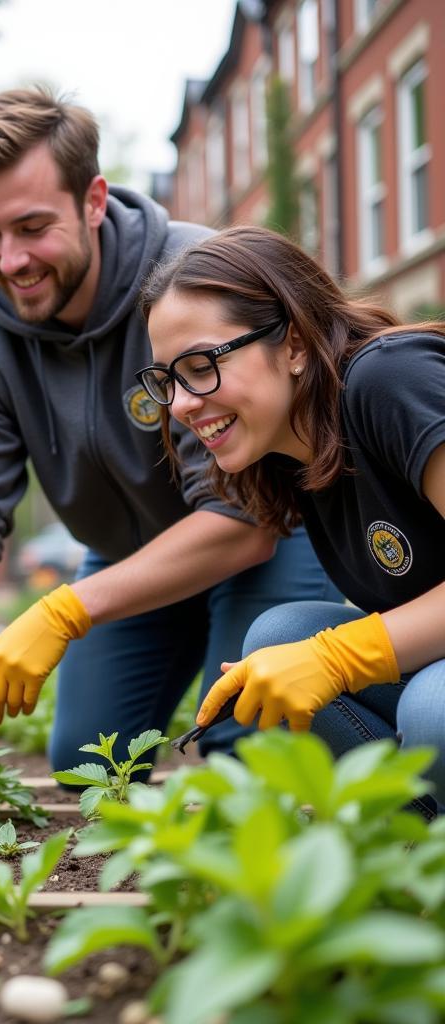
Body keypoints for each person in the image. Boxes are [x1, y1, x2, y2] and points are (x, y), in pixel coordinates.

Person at [0, 87, 341, 803]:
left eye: (33, 227)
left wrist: (65, 608)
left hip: (269, 532)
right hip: (131, 559)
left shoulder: (193, 282)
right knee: (85, 766)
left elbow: (244, 521)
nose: (10, 260)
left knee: (246, 750)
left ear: (93, 200)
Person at [140, 224, 445, 813]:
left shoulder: (390, 380)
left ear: (296, 345)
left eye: (201, 364)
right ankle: (414, 844)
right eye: (168, 378)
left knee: (432, 706)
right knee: (278, 640)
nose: (180, 404)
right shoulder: (290, 454)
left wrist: (341, 657)